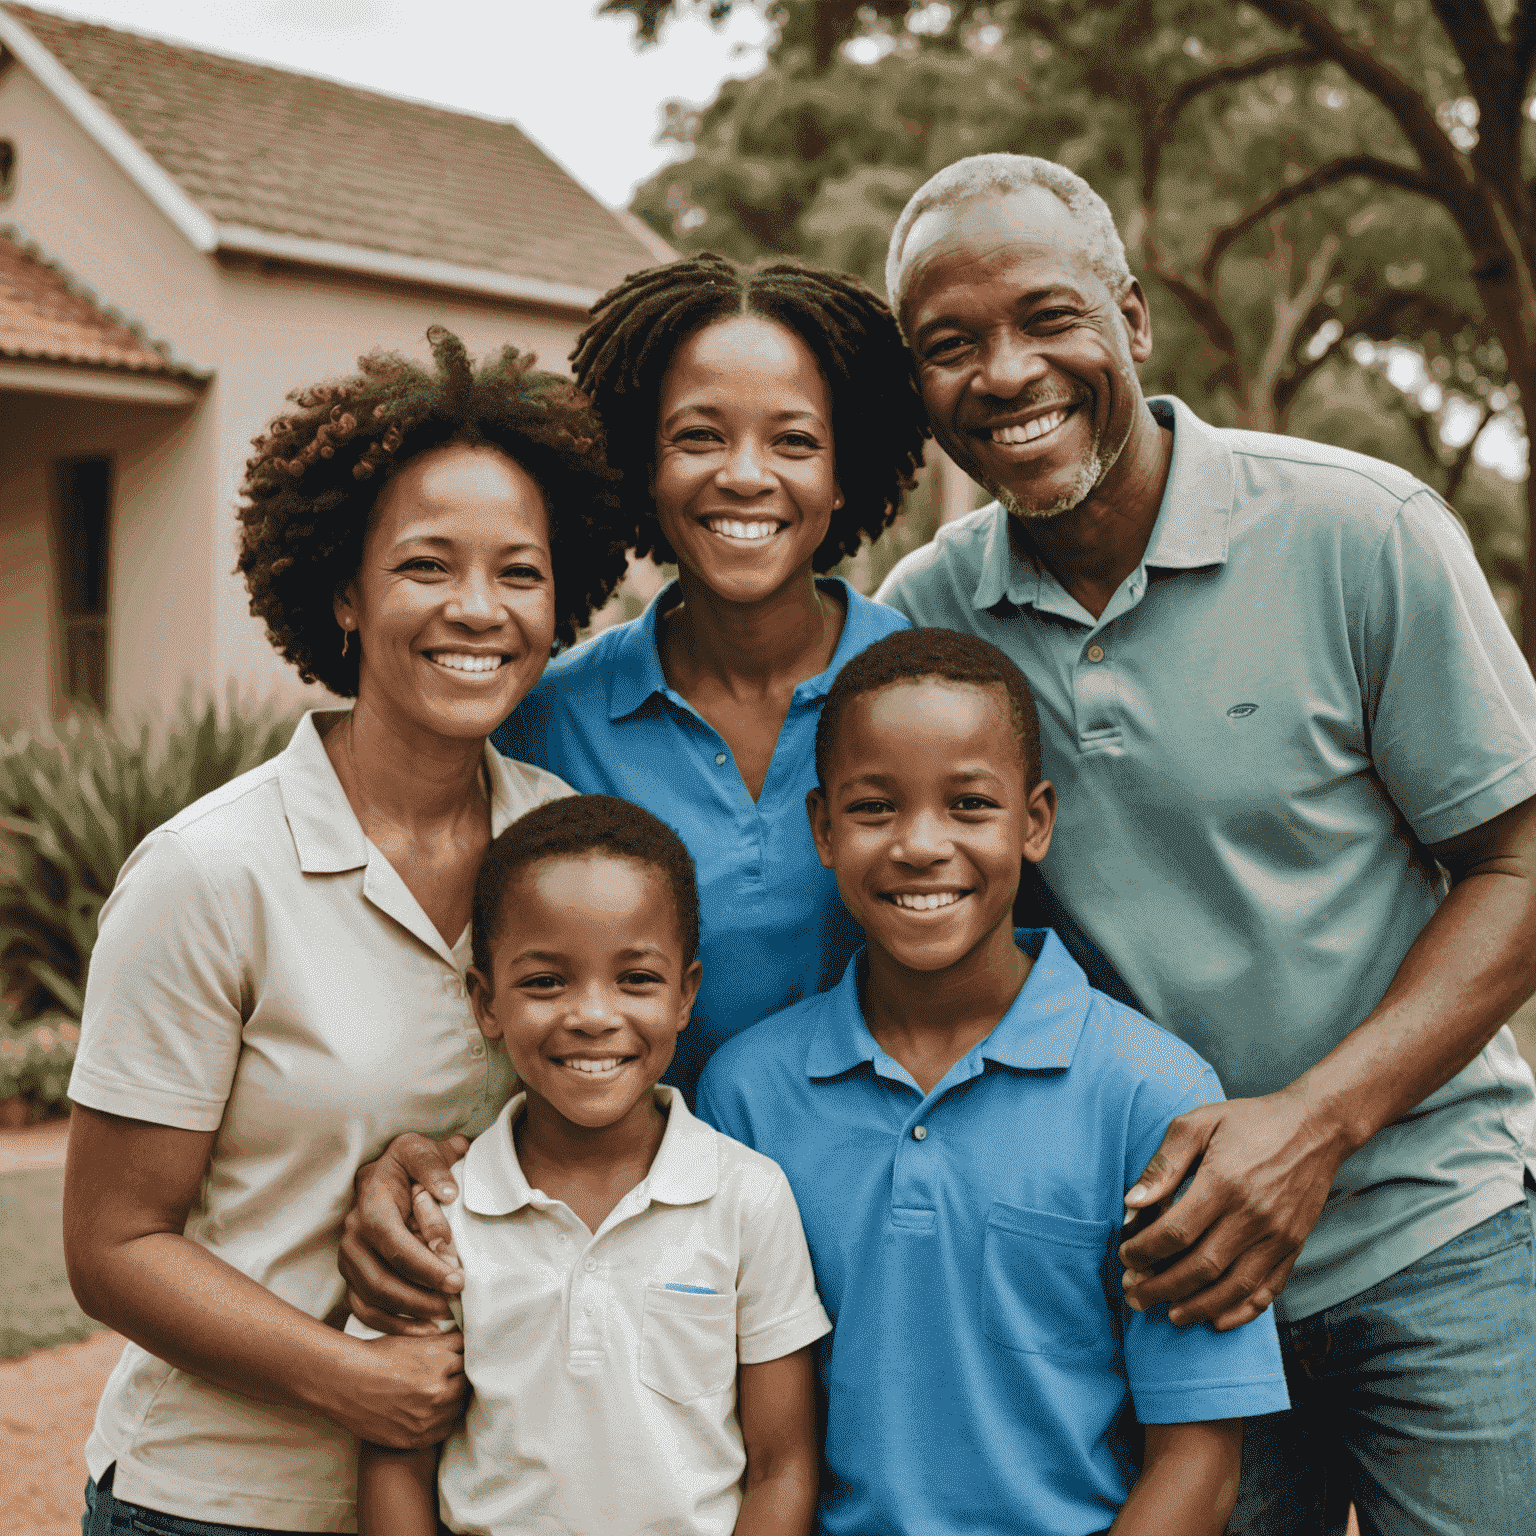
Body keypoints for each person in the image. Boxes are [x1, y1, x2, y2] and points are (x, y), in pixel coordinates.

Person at [874, 153, 1536, 1533]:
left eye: (1047, 318)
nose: (1004, 374)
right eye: (950, 346)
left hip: (1442, 1240)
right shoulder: (931, 619)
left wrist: (1313, 1126)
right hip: (1171, 1289)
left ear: (1133, 321)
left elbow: (1518, 865)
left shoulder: (1363, 533)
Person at [63, 329, 630, 1535]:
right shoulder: (210, 873)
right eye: (427, 565)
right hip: (216, 1503)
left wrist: (438, 1159)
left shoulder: (571, 852)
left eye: (519, 573)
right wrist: (353, 1380)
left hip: (474, 1498)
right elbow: (111, 1246)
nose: (477, 610)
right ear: (343, 590)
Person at [336, 254, 929, 1332]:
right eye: (698, 436)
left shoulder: (931, 698)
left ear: (847, 475)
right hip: (628, 1270)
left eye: (793, 440)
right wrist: (420, 1155)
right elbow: (467, 981)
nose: (745, 475)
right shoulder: (543, 716)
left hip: (888, 1240)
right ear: (640, 467)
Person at [696, 628, 1289, 1536]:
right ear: (821, 829)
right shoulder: (745, 1094)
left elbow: (1198, 1466)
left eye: (969, 804)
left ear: (1036, 821)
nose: (921, 845)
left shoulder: (1152, 1094)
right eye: (874, 808)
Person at [354, 795, 829, 1536]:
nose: (593, 1015)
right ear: (486, 1002)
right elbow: (394, 1461)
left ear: (685, 995)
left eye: (635, 979)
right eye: (546, 982)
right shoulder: (444, 1213)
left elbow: (782, 1465)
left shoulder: (747, 1198)